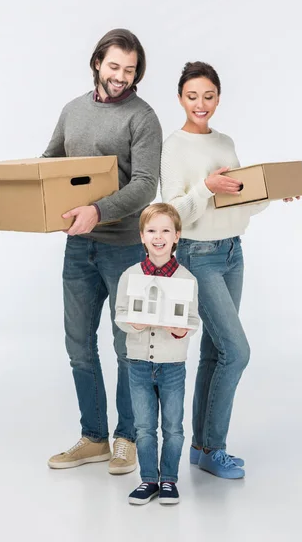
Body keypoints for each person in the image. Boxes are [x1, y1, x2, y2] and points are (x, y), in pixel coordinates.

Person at [161, 61, 299, 479]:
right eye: (192, 96)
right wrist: (206, 186)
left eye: (208, 96)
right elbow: (173, 212)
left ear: (218, 98)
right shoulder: (173, 146)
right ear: (180, 99)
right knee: (237, 352)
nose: (200, 104)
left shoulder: (226, 141)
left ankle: (202, 449)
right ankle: (215, 447)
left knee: (217, 353)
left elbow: (237, 200)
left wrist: (273, 194)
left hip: (232, 252)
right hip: (196, 254)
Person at [43, 29, 162, 475]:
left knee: (127, 345)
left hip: (125, 248)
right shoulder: (72, 111)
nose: (121, 77)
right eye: (114, 67)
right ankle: (93, 437)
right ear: (97, 63)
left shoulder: (142, 117)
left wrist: (97, 209)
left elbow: (146, 184)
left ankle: (126, 438)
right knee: (78, 346)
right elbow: (50, 163)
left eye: (130, 70)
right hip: (79, 248)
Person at [115, 203, 199, 504]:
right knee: (144, 426)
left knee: (173, 427)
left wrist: (180, 330)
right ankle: (148, 479)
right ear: (142, 236)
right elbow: (120, 315)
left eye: (166, 230)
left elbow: (192, 320)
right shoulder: (130, 276)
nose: (158, 236)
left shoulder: (186, 279)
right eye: (152, 230)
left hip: (172, 365)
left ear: (177, 236)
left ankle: (169, 480)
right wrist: (133, 323)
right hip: (137, 364)